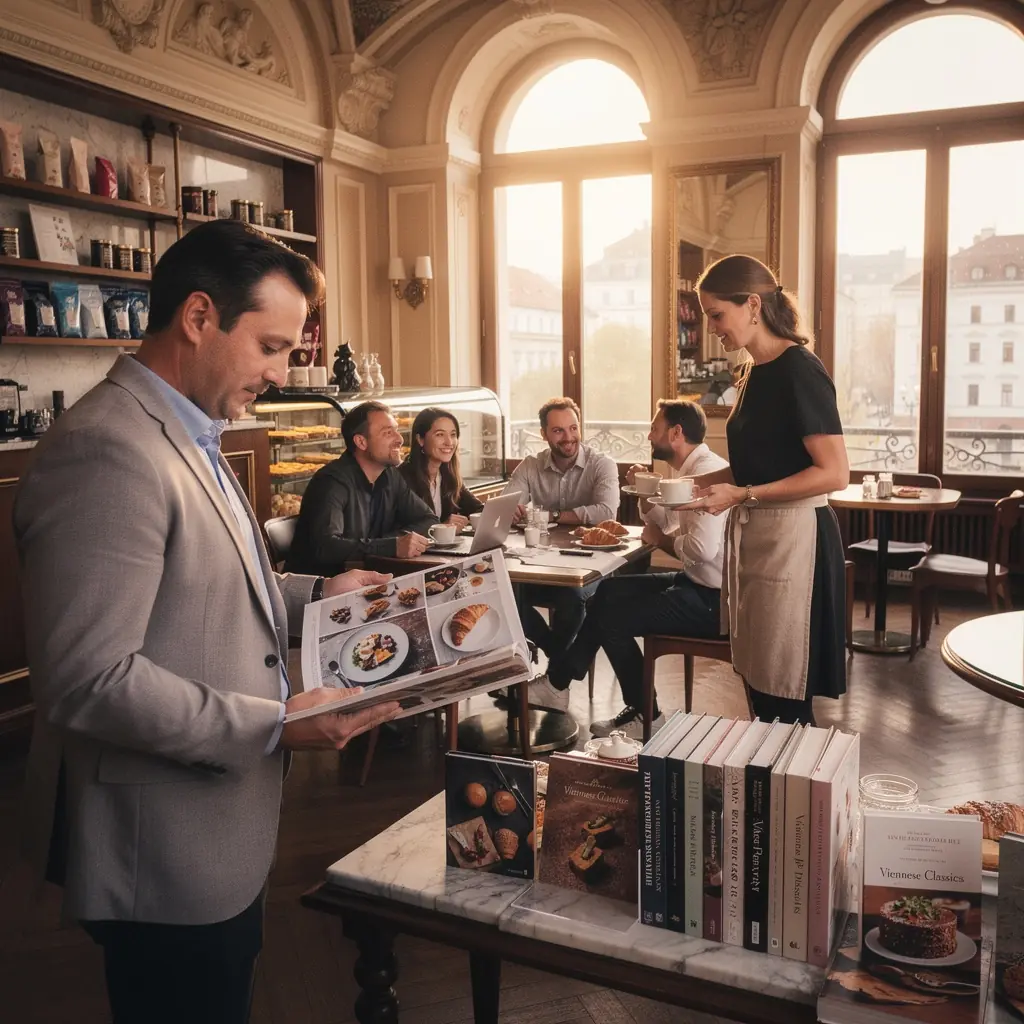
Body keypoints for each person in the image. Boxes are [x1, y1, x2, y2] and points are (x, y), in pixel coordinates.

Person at [13, 219, 401, 1024]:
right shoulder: (107, 449)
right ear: (198, 316)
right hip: (164, 850)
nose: (281, 372)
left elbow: (214, 585)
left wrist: (327, 593)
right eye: (271, 346)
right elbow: (88, 682)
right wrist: (275, 725)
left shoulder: (190, 426)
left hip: (212, 832)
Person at [692, 254, 849, 726]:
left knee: (785, 694)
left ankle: (792, 775)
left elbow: (834, 473)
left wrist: (741, 496)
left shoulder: (800, 369)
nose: (713, 329)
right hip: (763, 540)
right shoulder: (751, 372)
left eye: (717, 315)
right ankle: (770, 774)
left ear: (753, 306)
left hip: (797, 543)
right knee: (763, 689)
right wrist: (694, 484)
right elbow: (757, 465)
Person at [545, 400, 729, 737]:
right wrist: (646, 495)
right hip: (697, 583)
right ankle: (559, 682)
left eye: (655, 429)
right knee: (608, 591)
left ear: (676, 433)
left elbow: (701, 550)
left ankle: (645, 715)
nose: (649, 436)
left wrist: (661, 541)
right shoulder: (689, 470)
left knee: (612, 619)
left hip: (715, 601)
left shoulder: (706, 474)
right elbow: (668, 522)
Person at [501, 397, 619, 711]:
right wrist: (511, 508)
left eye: (573, 428)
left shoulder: (601, 464)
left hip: (589, 566)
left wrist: (551, 515)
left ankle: (554, 679)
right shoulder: (530, 465)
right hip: (541, 564)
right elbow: (506, 503)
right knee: (506, 592)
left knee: (572, 596)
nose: (568, 437)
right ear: (544, 434)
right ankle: (560, 659)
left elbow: (606, 512)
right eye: (558, 431)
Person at [285, 400, 438, 575]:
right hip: (321, 586)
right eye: (388, 433)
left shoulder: (390, 475)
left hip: (369, 580)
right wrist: (390, 546)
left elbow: (429, 520)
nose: (400, 439)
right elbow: (325, 547)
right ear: (361, 442)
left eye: (396, 430)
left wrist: (389, 543)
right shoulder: (330, 481)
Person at [399, 406, 483, 529]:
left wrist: (504, 514)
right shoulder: (402, 479)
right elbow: (401, 531)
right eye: (440, 435)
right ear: (420, 439)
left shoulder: (448, 475)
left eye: (453, 435)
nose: (449, 442)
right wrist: (440, 528)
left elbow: (477, 508)